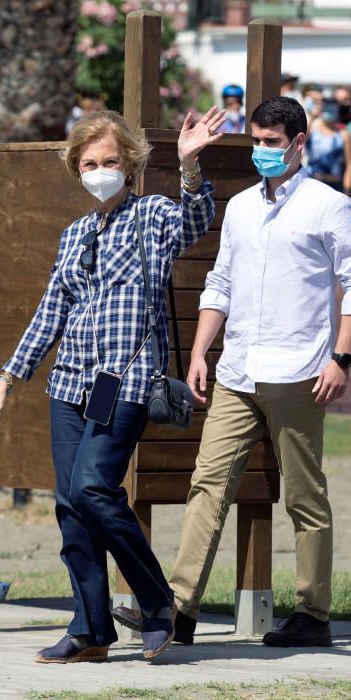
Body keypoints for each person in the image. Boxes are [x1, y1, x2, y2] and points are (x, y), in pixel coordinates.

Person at [0, 106, 225, 663]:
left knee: (94, 486)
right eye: (89, 162)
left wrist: (189, 167)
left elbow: (196, 221)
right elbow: (50, 313)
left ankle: (157, 600)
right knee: (71, 505)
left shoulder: (155, 216)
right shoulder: (74, 235)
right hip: (70, 383)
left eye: (110, 160)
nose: (99, 170)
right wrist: (6, 381)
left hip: (129, 378)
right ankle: (91, 628)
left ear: (131, 163)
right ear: (77, 168)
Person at [113, 96, 351, 647]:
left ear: (299, 141)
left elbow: (349, 287)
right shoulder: (241, 206)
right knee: (207, 483)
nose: (263, 152)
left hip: (301, 370)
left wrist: (341, 358)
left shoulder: (329, 205)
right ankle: (178, 609)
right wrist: (199, 352)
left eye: (272, 143)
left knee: (303, 494)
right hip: (237, 368)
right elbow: (219, 283)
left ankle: (313, 612)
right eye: (257, 142)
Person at [306, 96, 351, 193]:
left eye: (332, 108)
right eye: (326, 107)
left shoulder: (343, 134)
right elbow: (299, 141)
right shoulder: (312, 130)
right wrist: (312, 116)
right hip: (313, 183)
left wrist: (347, 190)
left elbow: (349, 163)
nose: (329, 111)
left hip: (335, 186)